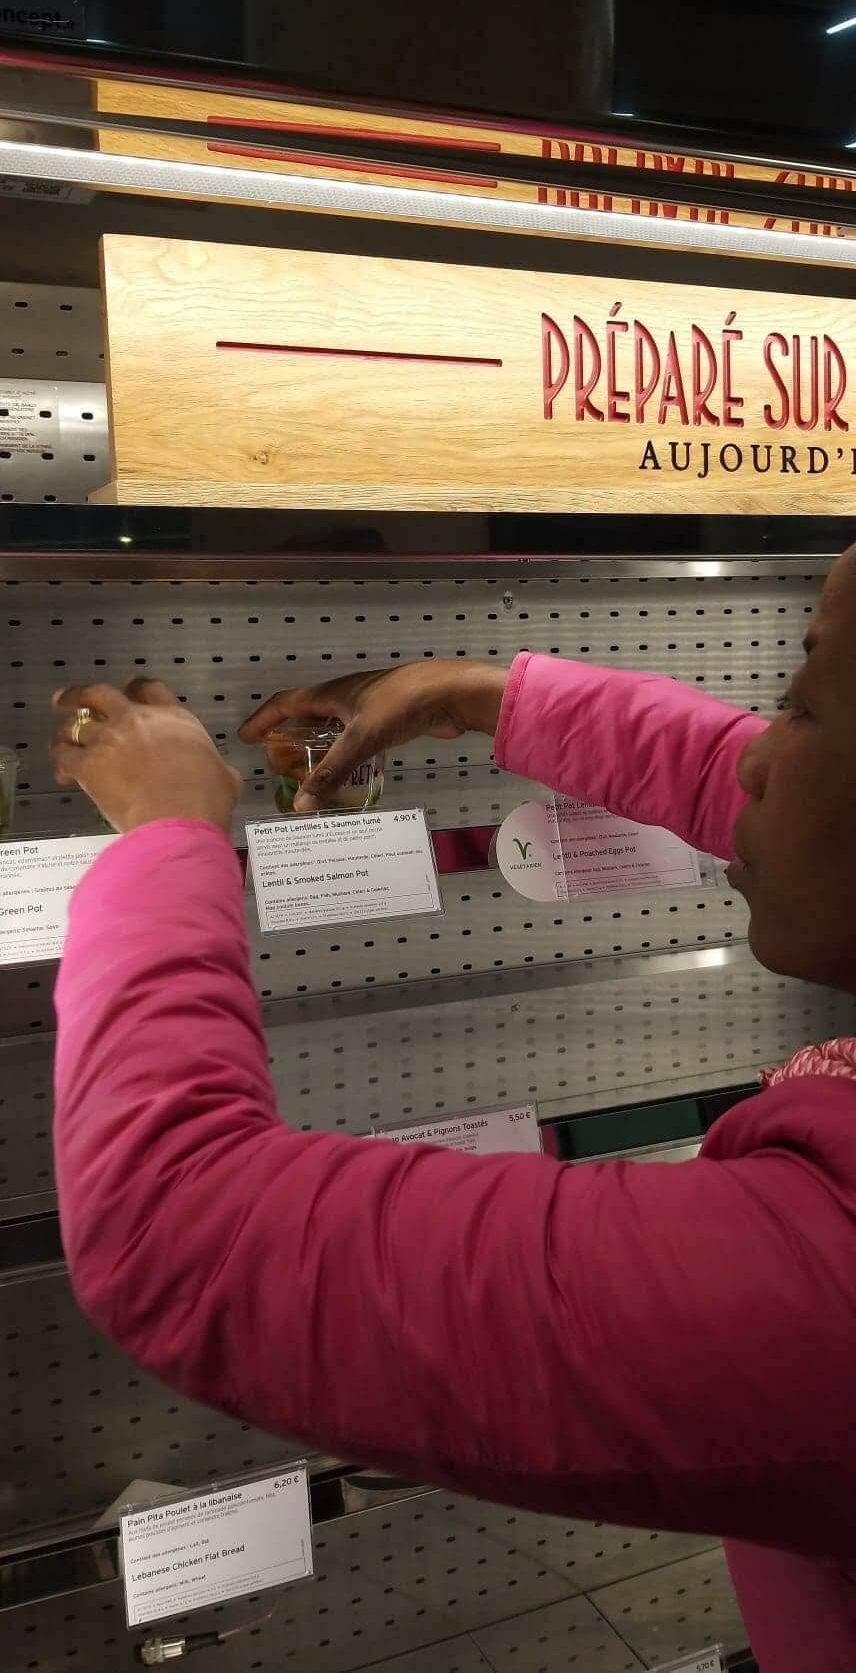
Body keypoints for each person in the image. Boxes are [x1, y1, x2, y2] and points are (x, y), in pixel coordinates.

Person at [49, 548, 856, 1673]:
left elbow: (176, 1223)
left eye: (800, 705)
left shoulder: (827, 1285)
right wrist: (480, 695)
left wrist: (164, 838)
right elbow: (748, 780)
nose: (757, 753)